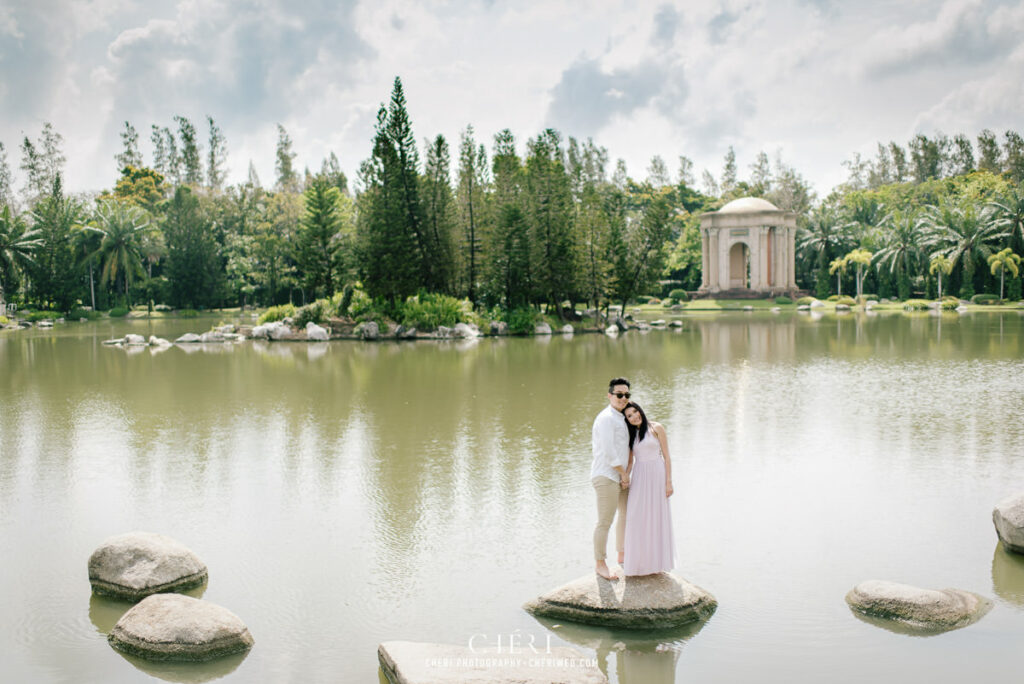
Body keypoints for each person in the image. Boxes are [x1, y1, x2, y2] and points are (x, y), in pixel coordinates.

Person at [622, 401, 675, 576]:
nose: (634, 416)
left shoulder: (656, 428)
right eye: (629, 416)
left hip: (657, 474)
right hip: (639, 476)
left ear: (640, 411)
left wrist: (669, 482)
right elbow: (630, 461)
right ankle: (638, 563)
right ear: (627, 420)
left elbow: (667, 457)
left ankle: (656, 564)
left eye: (635, 412)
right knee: (636, 516)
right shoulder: (631, 435)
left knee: (656, 516)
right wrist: (625, 475)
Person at [591, 377, 632, 580]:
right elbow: (608, 452)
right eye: (619, 395)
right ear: (610, 395)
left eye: (626, 395)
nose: (623, 398)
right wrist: (624, 474)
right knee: (605, 521)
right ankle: (600, 564)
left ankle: (622, 556)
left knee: (625, 515)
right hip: (607, 475)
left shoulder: (622, 417)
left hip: (621, 476)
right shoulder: (606, 418)